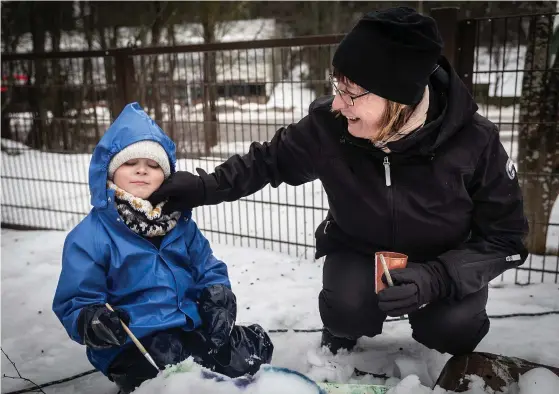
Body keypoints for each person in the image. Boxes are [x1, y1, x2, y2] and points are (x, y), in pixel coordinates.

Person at [150, 7, 529, 357]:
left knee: (453, 330)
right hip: (359, 249)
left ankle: (444, 325)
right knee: (345, 308)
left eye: (352, 93)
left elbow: (506, 239)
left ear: (399, 99)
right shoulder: (330, 127)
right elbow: (268, 162)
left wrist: (438, 278)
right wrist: (203, 188)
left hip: (444, 260)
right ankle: (343, 329)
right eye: (337, 87)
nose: (337, 104)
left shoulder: (475, 141)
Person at [52, 103, 273, 394]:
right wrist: (92, 320)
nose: (142, 169)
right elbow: (76, 299)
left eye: (153, 165)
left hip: (190, 326)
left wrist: (218, 296)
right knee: (174, 380)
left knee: (242, 359)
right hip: (135, 342)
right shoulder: (91, 236)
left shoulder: (180, 223)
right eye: (130, 163)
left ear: (165, 175)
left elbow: (208, 268)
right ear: (109, 172)